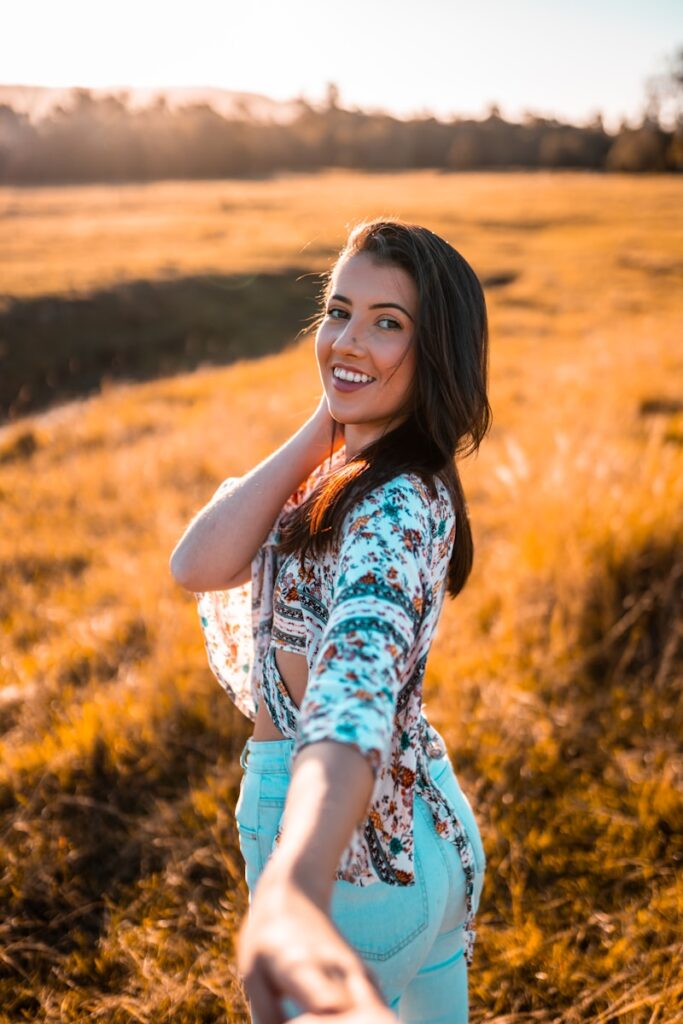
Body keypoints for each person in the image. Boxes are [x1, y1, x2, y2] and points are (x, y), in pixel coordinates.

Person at [170, 217, 492, 1023]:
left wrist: (296, 885)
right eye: (338, 312)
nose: (347, 339)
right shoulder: (350, 472)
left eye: (388, 324)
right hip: (426, 836)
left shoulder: (394, 509)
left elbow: (353, 685)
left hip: (348, 878)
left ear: (437, 352)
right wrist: (331, 418)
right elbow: (196, 563)